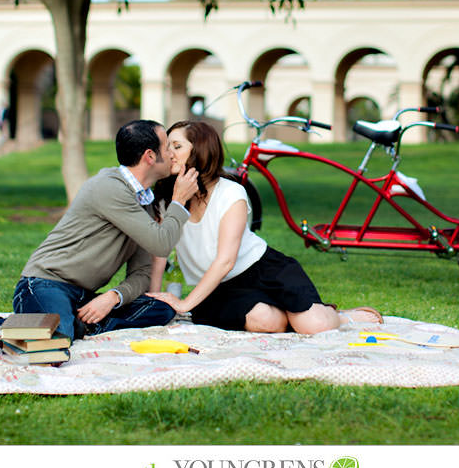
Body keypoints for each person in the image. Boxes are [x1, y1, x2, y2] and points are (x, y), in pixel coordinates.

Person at [147, 120, 382, 334]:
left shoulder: (231, 193)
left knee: (315, 326)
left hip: (264, 271)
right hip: (217, 287)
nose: (169, 154)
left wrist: (185, 304)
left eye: (177, 146)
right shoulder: (167, 199)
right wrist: (155, 302)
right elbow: (160, 250)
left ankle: (338, 317)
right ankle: (295, 315)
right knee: (267, 323)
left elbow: (226, 260)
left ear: (201, 149)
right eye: (168, 147)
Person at [12, 119, 200, 342]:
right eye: (167, 146)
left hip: (84, 295)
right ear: (150, 157)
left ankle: (79, 323)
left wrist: (113, 297)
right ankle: (64, 325)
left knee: (162, 308)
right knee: (56, 341)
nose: (171, 154)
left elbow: (142, 273)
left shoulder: (144, 201)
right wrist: (178, 201)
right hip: (45, 283)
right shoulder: (110, 187)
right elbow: (162, 243)